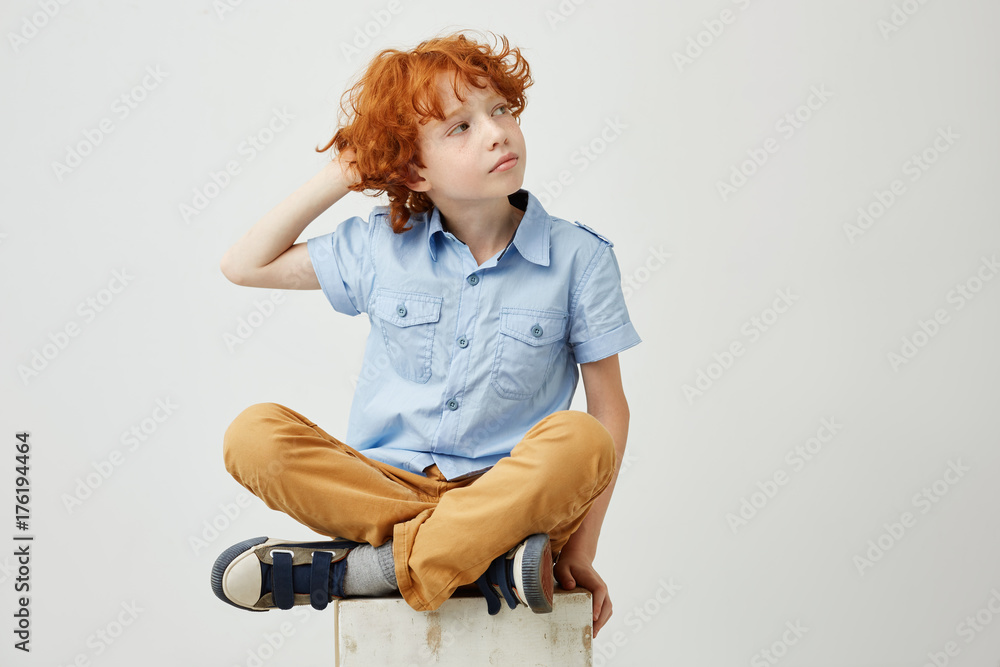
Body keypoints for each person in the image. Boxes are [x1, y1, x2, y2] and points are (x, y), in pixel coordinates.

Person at [210, 30, 640, 638]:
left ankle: (359, 572)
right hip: (385, 486)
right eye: (459, 127)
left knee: (584, 440)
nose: (495, 132)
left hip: (511, 492)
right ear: (414, 169)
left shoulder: (580, 258)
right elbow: (244, 265)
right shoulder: (381, 246)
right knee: (252, 434)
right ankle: (482, 561)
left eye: (500, 111)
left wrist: (580, 553)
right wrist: (344, 172)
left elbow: (611, 410)